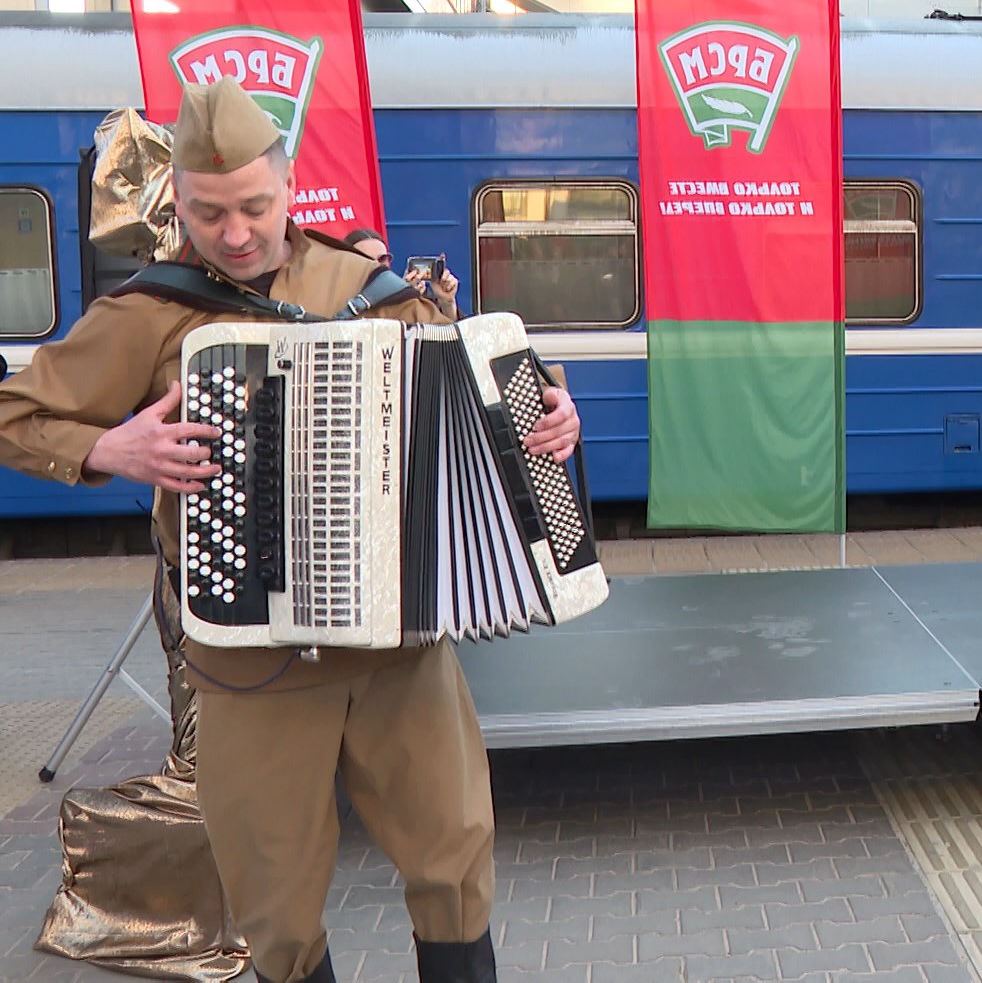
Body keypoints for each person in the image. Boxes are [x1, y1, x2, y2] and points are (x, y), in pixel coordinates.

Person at [0, 78, 581, 983]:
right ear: (178, 200)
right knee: (275, 906)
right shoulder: (147, 314)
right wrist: (112, 446)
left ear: (289, 185)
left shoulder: (368, 288)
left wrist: (550, 414)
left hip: (396, 647)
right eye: (208, 213)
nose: (234, 233)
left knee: (456, 861)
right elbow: (15, 414)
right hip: (251, 663)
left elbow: (486, 378)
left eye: (254, 207)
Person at [344, 227, 461, 319]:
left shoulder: (417, 296)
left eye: (383, 258)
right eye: (367, 260)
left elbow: (447, 334)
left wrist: (447, 303)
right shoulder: (338, 299)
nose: (377, 265)